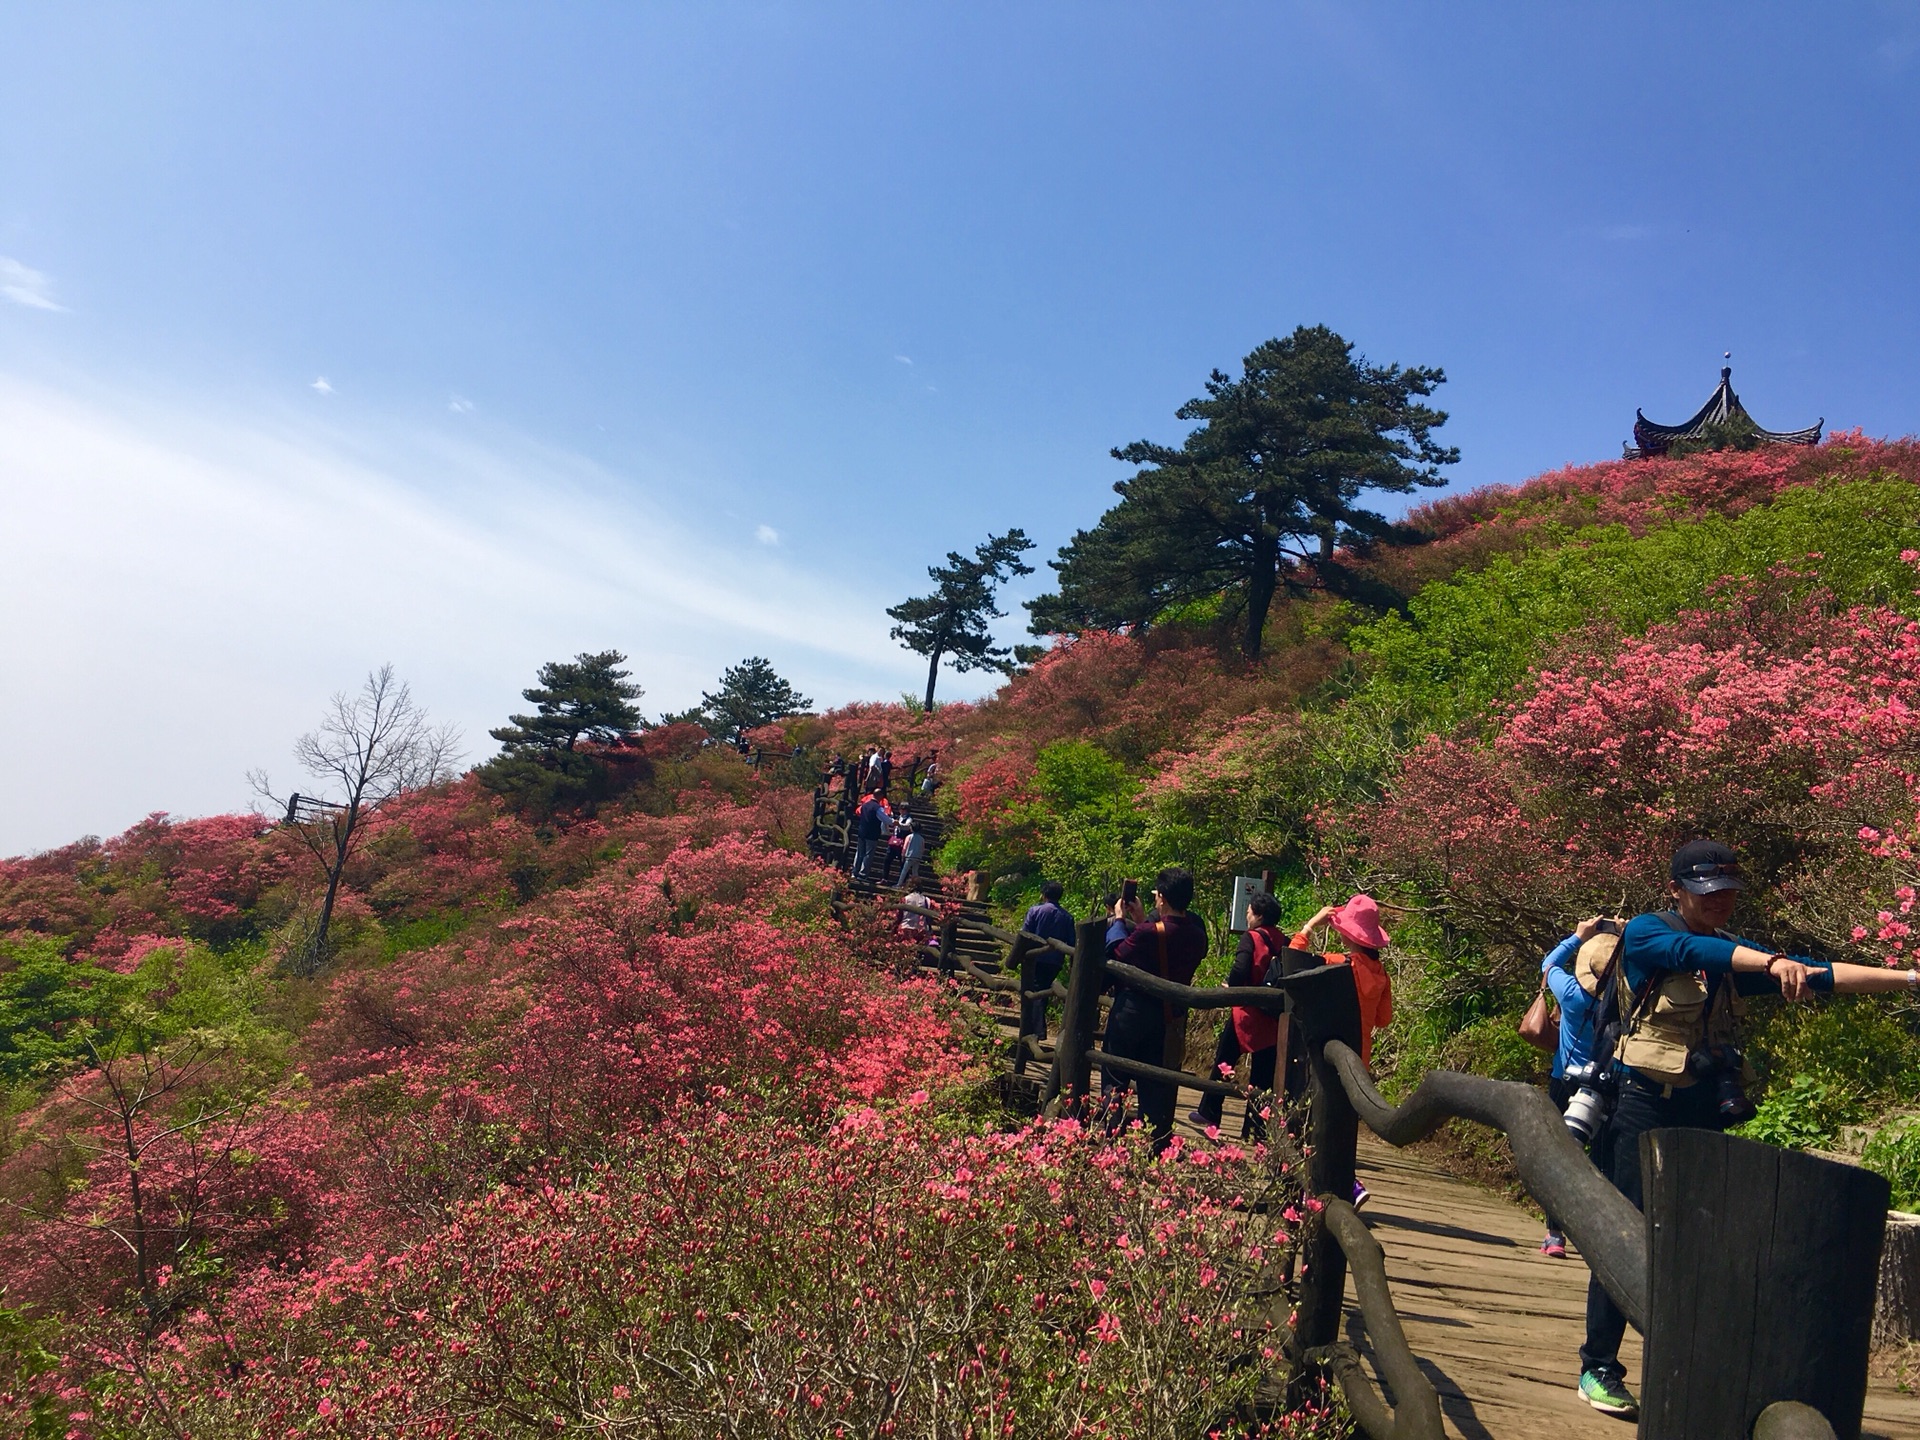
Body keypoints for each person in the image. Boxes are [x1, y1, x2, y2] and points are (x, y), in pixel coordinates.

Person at [1572, 839, 1920, 1419]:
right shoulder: (1646, 934)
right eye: (1708, 892)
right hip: (1643, 1106)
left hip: (1705, 1109)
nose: (1721, 901)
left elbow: (1821, 976)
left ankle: (1686, 1363)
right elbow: (1688, 947)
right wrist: (1769, 961)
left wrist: (1909, 978)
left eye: (1730, 891)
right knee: (1629, 1228)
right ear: (1677, 890)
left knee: (1700, 1240)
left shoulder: (1732, 955)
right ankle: (1598, 1365)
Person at [1292, 895, 1395, 1207]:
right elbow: (1383, 1019)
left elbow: (1294, 963)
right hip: (1359, 1057)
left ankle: (1344, 1185)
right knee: (1343, 1126)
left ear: (1348, 934)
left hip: (1327, 1056)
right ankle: (1344, 1185)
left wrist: (1309, 926)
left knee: (1314, 1122)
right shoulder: (1381, 975)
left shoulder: (1336, 964)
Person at [1101, 868, 1210, 1152]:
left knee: (1115, 1077)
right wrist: (1141, 922)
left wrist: (1120, 920)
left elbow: (1117, 952)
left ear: (1161, 897)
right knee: (1156, 1085)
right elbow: (1160, 941)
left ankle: (1111, 1142)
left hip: (1131, 1013)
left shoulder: (1147, 932)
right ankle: (1156, 1148)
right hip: (1168, 1018)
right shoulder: (1197, 936)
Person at [1535, 917, 1610, 1258]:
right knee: (1601, 1162)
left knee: (1559, 1156)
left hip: (1565, 1081)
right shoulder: (1625, 1001)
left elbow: (1548, 963)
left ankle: (1554, 1234)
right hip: (1606, 1086)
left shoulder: (1571, 993)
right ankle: (1598, 1233)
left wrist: (1578, 936)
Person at [1191, 890, 1289, 1138]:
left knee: (1225, 1061)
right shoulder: (1284, 941)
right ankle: (1255, 1128)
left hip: (1246, 1011)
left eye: (1250, 910)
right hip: (1273, 1016)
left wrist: (1230, 985)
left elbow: (1241, 969)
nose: (1247, 914)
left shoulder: (1252, 937)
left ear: (1258, 915)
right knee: (1262, 1076)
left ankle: (1210, 1110)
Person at [1020, 881, 1077, 1040]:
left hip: (1035, 958)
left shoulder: (1035, 911)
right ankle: (1036, 1029)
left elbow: (1025, 934)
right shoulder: (1067, 917)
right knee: (1042, 991)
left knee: (1035, 992)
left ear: (1044, 894)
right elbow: (1072, 942)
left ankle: (1035, 1031)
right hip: (1055, 962)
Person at [851, 792, 886, 880]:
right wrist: (893, 822)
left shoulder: (865, 805)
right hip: (872, 834)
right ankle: (862, 874)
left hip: (862, 832)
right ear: (880, 796)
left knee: (859, 852)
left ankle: (854, 872)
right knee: (868, 854)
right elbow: (884, 818)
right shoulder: (878, 808)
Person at [895, 816, 926, 888]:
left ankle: (899, 884)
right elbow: (922, 848)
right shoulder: (922, 839)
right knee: (915, 872)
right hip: (917, 857)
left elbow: (905, 847)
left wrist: (903, 855)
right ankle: (917, 886)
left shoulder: (909, 836)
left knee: (904, 871)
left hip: (909, 856)